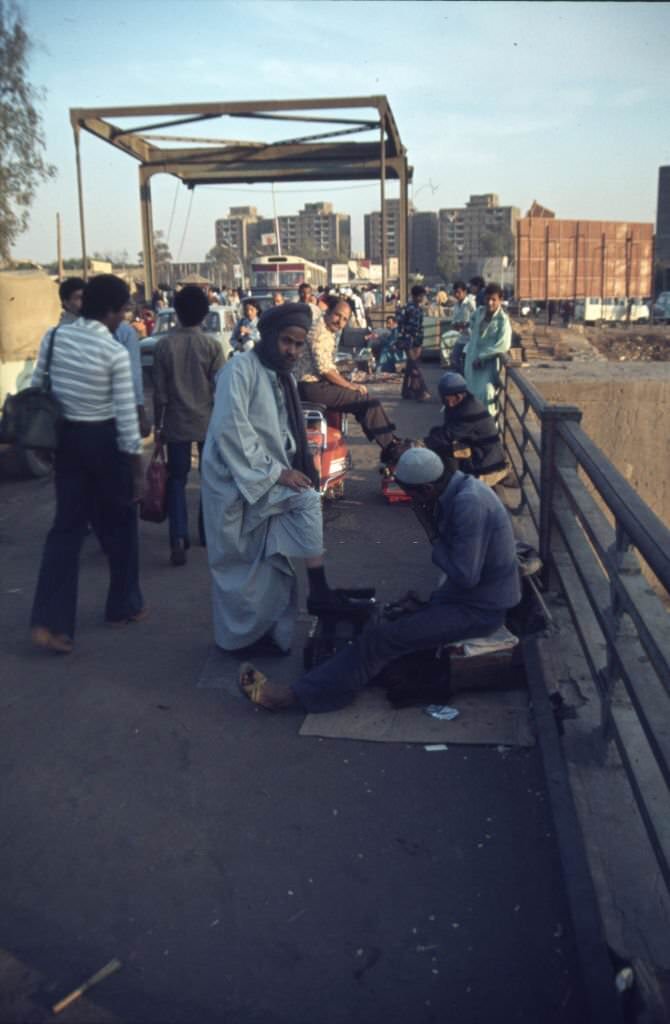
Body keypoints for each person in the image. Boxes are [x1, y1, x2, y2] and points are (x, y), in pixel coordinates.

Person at [238, 447, 521, 711]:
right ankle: (337, 678)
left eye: (413, 495)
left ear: (427, 488)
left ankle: (296, 696)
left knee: (381, 639)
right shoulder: (460, 489)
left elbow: (465, 575)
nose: (413, 502)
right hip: (463, 601)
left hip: (479, 610)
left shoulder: (469, 505)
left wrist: (435, 540)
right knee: (387, 618)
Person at [201, 303, 359, 656]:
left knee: (274, 564)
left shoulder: (283, 375)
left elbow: (285, 431)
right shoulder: (238, 371)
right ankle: (241, 639)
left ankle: (278, 625)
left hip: (265, 477)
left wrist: (296, 463)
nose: (293, 350)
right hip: (236, 481)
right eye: (287, 342)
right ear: (269, 337)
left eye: (299, 345)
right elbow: (233, 431)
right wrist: (277, 472)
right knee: (241, 570)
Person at [30, 275, 146, 653]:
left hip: (66, 441)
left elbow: (38, 385)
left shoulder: (55, 337)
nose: (123, 318)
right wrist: (137, 470)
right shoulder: (112, 352)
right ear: (111, 311)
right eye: (123, 310)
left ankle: (51, 623)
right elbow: (126, 420)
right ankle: (122, 606)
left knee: (65, 529)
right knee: (122, 524)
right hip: (105, 443)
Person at [153, 284, 225, 566]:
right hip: (207, 422)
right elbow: (220, 390)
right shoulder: (212, 346)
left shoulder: (163, 346)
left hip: (175, 423)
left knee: (177, 479)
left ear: (177, 313)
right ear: (205, 314)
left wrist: (158, 426)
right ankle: (206, 533)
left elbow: (159, 393)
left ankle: (178, 536)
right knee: (209, 479)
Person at [296, 297, 404, 464]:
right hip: (312, 387)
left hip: (314, 385)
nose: (340, 322)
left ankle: (390, 441)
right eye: (337, 316)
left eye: (345, 319)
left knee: (364, 401)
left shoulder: (326, 329)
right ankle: (391, 447)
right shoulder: (320, 332)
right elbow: (325, 370)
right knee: (365, 400)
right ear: (328, 312)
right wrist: (350, 385)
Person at [424, 372, 507, 484]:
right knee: (436, 434)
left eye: (445, 398)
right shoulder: (460, 402)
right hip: (476, 449)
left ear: (458, 396)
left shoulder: (470, 411)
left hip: (486, 461)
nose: (443, 401)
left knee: (442, 447)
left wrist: (422, 444)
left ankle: (452, 483)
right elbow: (446, 429)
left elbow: (447, 436)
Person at [464, 283, 511, 417]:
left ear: (500, 300)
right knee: (471, 392)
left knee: (487, 392)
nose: (490, 303)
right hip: (472, 359)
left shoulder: (503, 320)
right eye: (487, 299)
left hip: (487, 364)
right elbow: (471, 322)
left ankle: (489, 426)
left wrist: (483, 356)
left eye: (493, 300)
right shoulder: (479, 312)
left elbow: (503, 345)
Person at [115, 310, 151, 438]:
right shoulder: (126, 331)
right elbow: (134, 373)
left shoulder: (67, 332)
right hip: (120, 408)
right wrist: (141, 411)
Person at [396, 284, 431, 402]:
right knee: (414, 365)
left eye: (422, 296)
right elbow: (400, 323)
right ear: (414, 296)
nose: (421, 298)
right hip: (408, 339)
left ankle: (406, 391)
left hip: (418, 339)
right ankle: (422, 391)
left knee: (411, 366)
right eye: (420, 296)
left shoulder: (419, 309)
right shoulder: (407, 308)